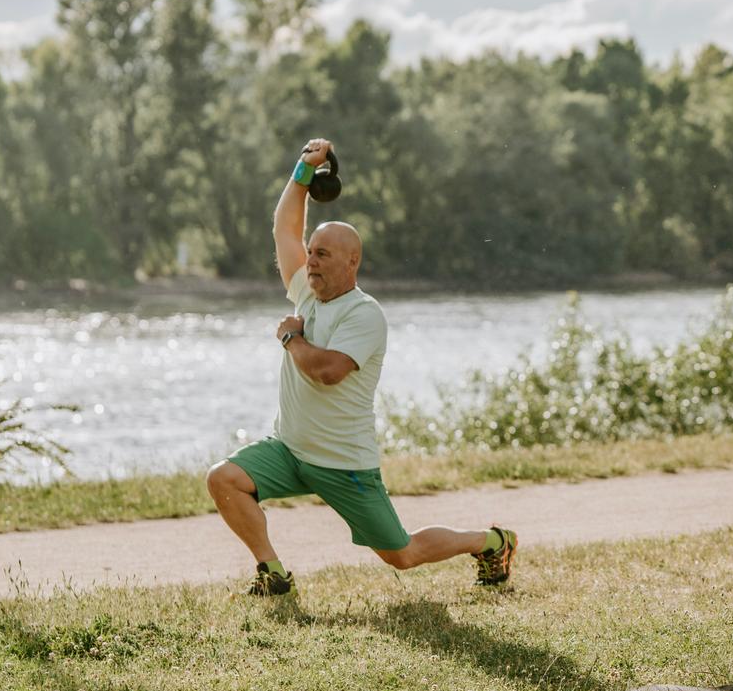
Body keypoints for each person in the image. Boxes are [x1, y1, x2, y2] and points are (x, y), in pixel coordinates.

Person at [206, 138, 517, 597]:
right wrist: (302, 171)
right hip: (291, 452)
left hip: (344, 464)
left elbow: (328, 371)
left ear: (352, 262)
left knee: (402, 555)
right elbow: (284, 231)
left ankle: (491, 542)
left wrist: (292, 337)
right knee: (224, 479)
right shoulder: (306, 292)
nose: (309, 260)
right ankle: (272, 572)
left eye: (322, 255)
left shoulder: (364, 315)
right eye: (311, 253)